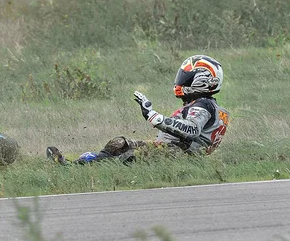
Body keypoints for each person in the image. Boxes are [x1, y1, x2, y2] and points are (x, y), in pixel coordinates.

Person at [47, 55, 230, 165]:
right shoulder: (201, 104)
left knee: (128, 155)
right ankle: (79, 165)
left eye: (187, 76)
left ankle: (79, 167)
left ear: (203, 80)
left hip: (177, 155)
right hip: (173, 153)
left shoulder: (204, 105)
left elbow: (192, 129)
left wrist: (154, 116)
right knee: (119, 144)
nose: (181, 80)